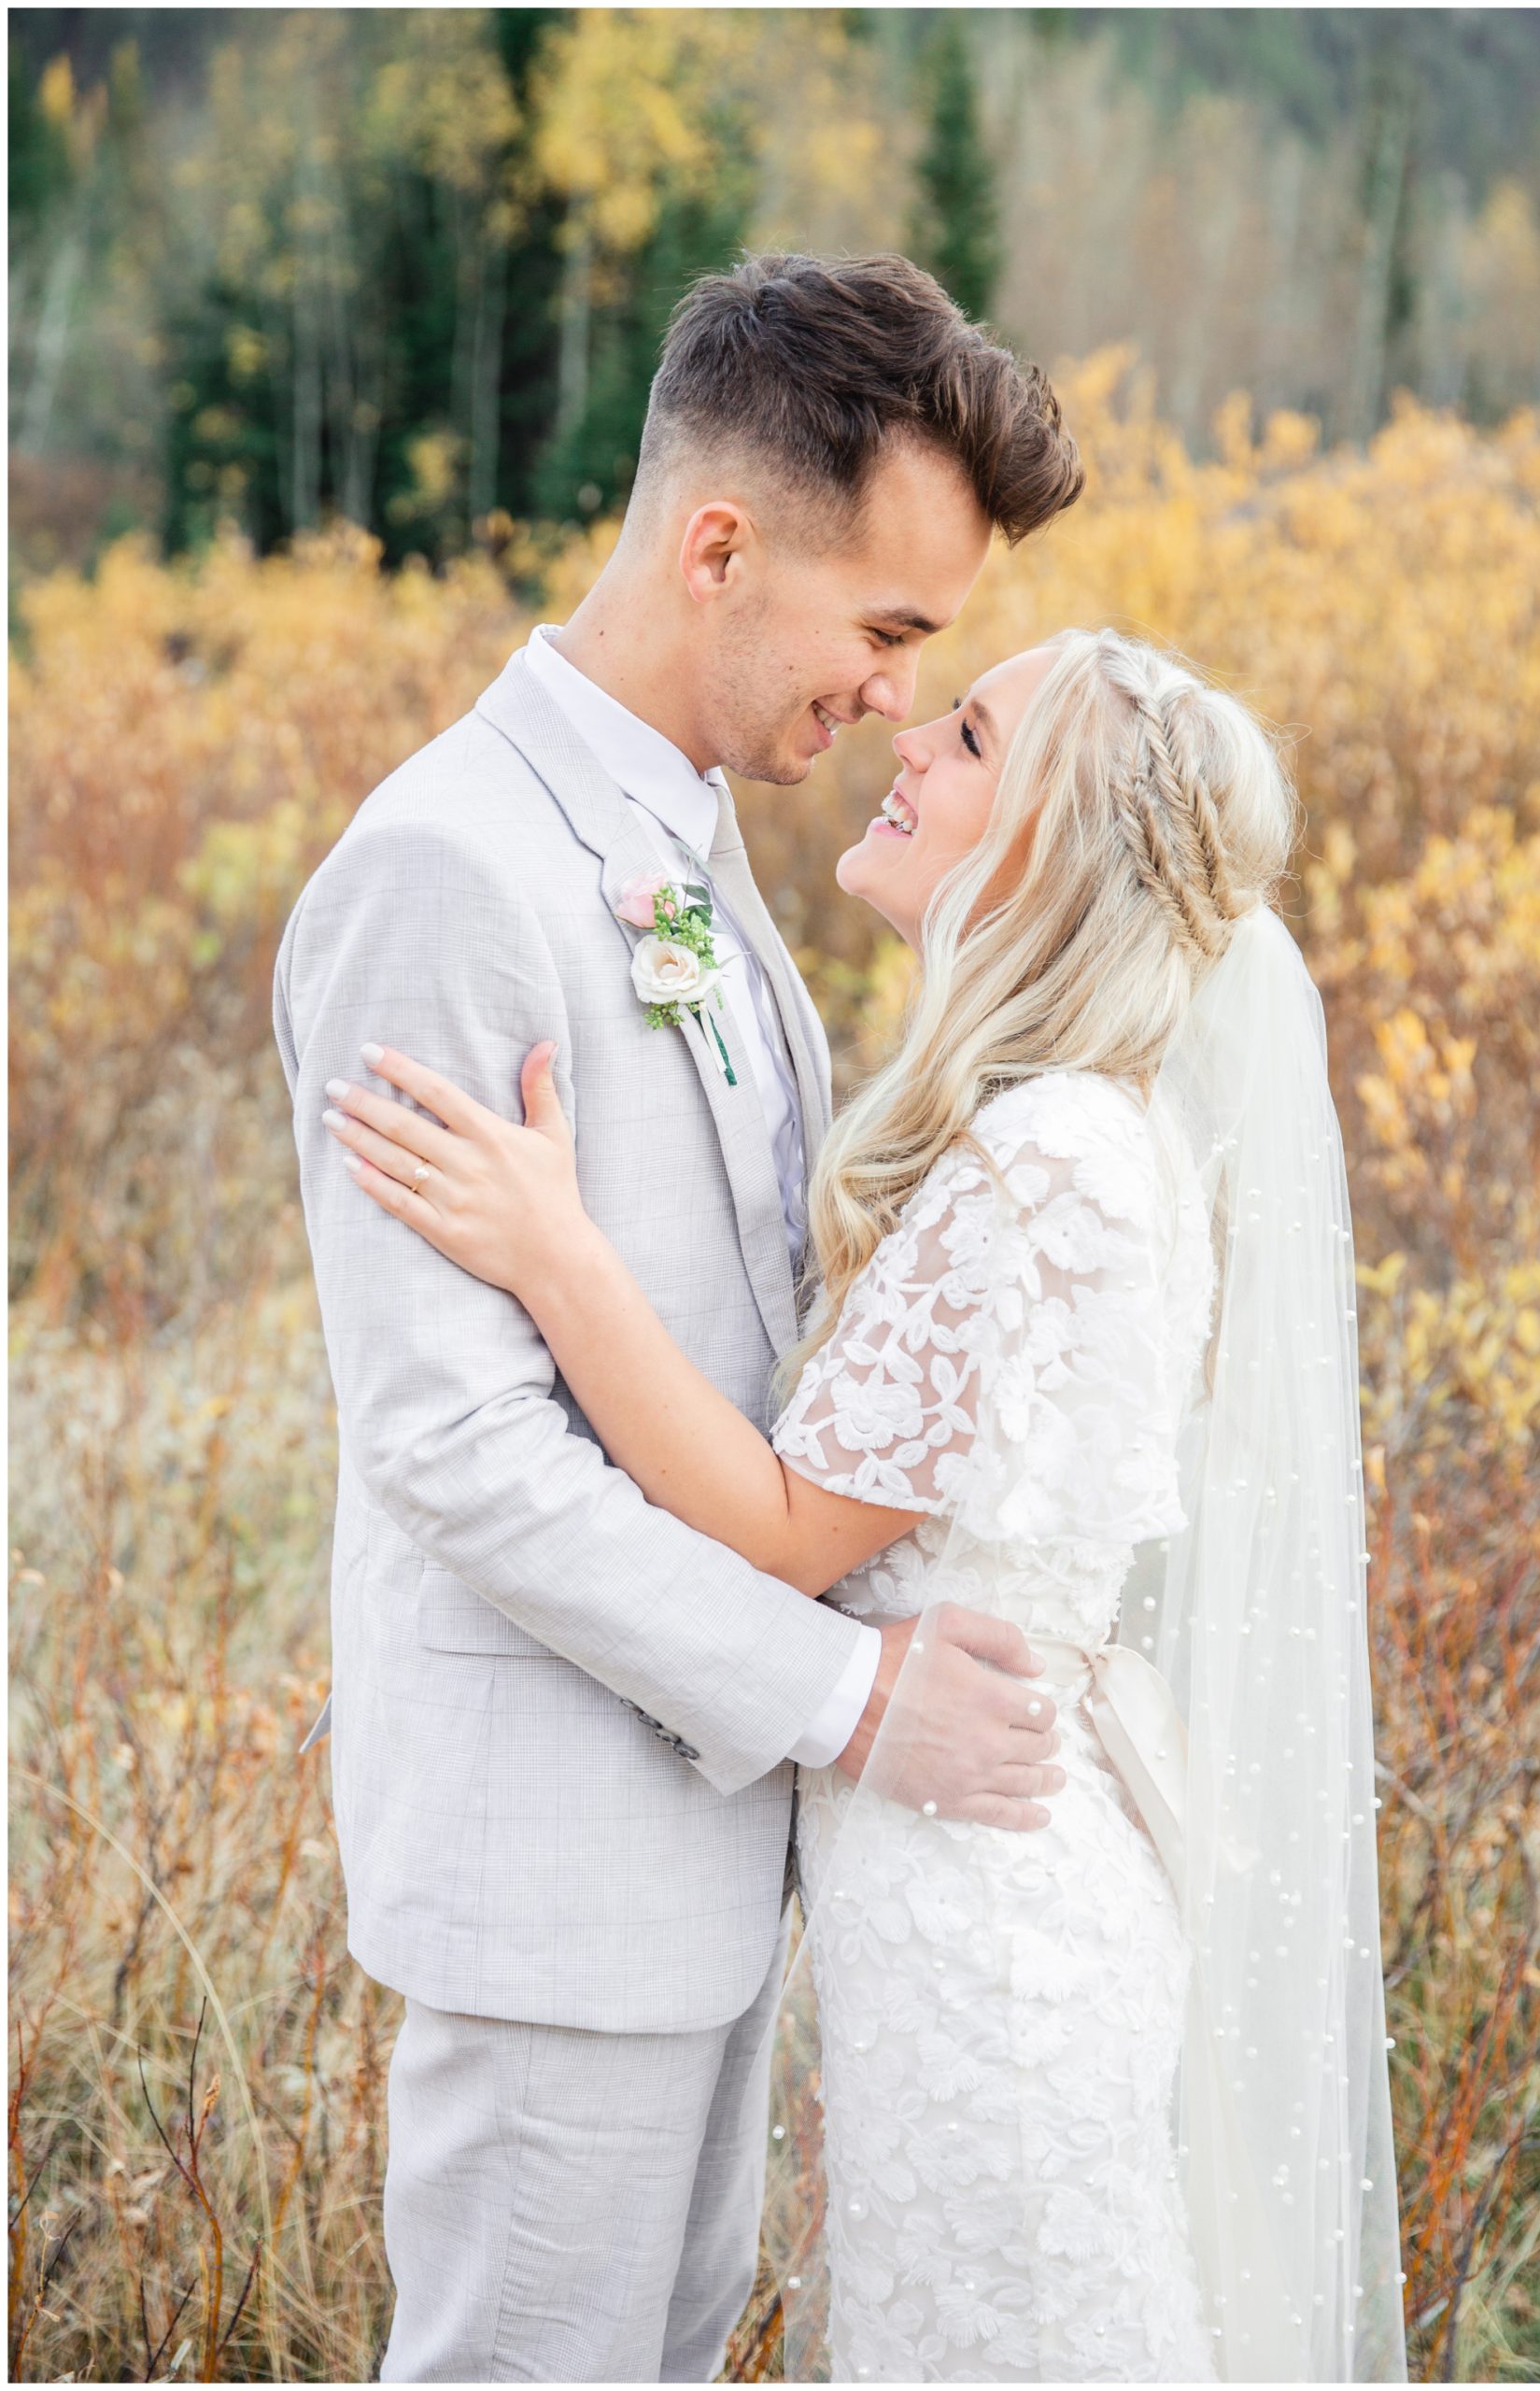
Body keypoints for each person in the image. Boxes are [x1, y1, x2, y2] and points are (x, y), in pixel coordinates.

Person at [325, 627, 1407, 2383]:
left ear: (1050, 845)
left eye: (971, 734)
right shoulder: (1074, 1127)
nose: (907, 734)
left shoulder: (1051, 1153)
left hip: (990, 1913)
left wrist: (553, 1251)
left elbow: (780, 1526)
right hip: (957, 1866)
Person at [273, 250, 1083, 2384]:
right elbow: (453, 1447)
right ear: (718, 543)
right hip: (558, 1862)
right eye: (889, 630)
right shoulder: (448, 869)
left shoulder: (694, 843)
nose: (902, 698)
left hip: (714, 1861)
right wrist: (842, 1695)